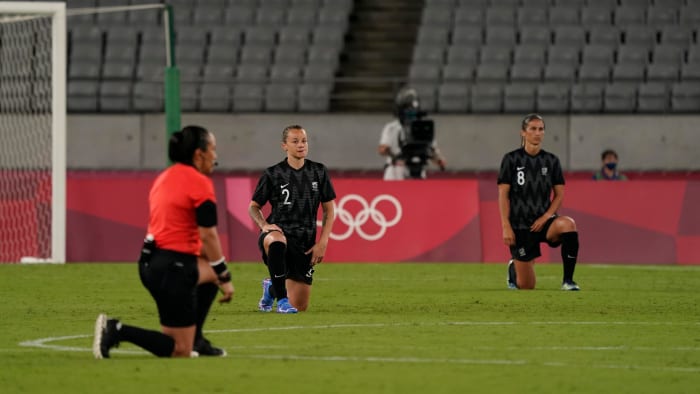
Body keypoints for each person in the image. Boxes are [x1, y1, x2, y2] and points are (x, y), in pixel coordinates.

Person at [93, 125, 235, 359]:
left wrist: (215, 270)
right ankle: (116, 330)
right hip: (173, 269)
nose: (216, 156)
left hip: (152, 262)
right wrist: (225, 275)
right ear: (199, 154)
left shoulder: (164, 178)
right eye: (213, 149)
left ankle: (196, 339)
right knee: (179, 349)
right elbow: (208, 235)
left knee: (208, 273)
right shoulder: (200, 183)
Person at [248, 125, 336, 313]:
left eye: (303, 141)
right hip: (277, 234)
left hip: (305, 242)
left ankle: (271, 287)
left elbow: (329, 210)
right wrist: (264, 225)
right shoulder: (272, 174)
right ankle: (281, 301)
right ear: (284, 146)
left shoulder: (319, 171)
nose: (301, 145)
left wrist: (323, 241)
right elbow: (253, 207)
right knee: (277, 241)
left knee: (300, 306)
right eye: (295, 141)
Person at [497, 113, 581, 291]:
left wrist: (546, 216)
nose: (537, 133)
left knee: (568, 224)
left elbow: (559, 195)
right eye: (533, 129)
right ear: (523, 133)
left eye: (541, 129)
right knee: (527, 286)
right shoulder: (511, 159)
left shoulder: (551, 161)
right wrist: (506, 226)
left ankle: (568, 281)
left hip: (545, 222)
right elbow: (503, 195)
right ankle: (514, 269)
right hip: (520, 226)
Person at [378, 87, 446, 180]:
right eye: (407, 109)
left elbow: (433, 151)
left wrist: (439, 160)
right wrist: (393, 154)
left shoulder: (423, 128)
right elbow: (382, 149)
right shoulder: (391, 128)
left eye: (412, 109)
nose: (410, 112)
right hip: (395, 171)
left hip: (418, 171)